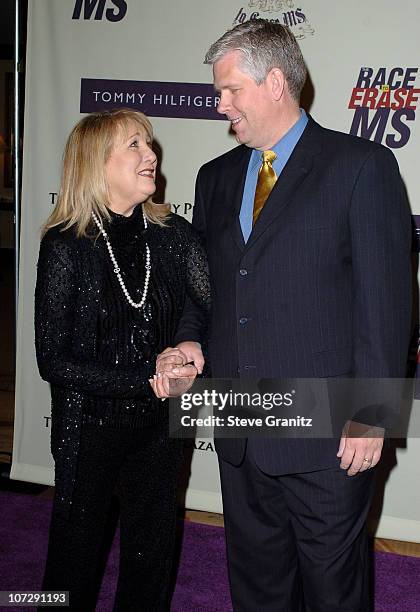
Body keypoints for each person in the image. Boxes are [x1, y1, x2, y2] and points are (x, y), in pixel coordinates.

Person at [162, 20, 412, 611]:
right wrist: (192, 341)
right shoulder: (216, 177)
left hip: (328, 435)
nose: (219, 104)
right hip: (242, 428)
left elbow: (387, 302)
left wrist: (373, 413)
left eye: (229, 91)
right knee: (259, 588)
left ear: (275, 82)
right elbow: (206, 291)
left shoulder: (360, 167)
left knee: (333, 593)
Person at [35, 108, 210, 610]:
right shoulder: (66, 245)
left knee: (151, 559)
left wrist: (188, 352)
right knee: (72, 565)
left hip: (159, 426)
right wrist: (146, 378)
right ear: (96, 162)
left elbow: (211, 305)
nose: (150, 154)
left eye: (149, 143)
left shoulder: (175, 236)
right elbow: (54, 359)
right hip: (88, 427)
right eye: (134, 144)